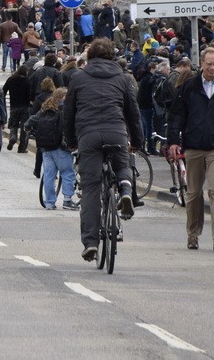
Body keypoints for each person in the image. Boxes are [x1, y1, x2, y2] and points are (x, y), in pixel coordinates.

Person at [63, 38, 143, 263]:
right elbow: (133, 113)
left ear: (89, 57)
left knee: (90, 188)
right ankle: (126, 191)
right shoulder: (123, 78)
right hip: (115, 131)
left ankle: (90, 243)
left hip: (88, 135)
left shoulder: (78, 78)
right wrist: (136, 140)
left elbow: (68, 113)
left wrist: (71, 141)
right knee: (123, 164)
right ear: (111, 56)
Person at [167, 47, 214, 253]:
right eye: (209, 63)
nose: (212, 67)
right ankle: (193, 234)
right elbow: (176, 115)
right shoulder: (189, 86)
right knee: (193, 193)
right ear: (202, 64)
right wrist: (173, 141)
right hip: (194, 146)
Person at [26, 87, 78, 210]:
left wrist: (29, 129)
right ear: (63, 97)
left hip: (45, 147)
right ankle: (67, 200)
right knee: (67, 173)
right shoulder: (65, 109)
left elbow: (29, 122)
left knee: (49, 175)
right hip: (62, 147)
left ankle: (49, 202)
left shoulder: (45, 108)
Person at [4, 64, 32, 152]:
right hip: (25, 106)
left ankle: (13, 137)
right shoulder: (27, 81)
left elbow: (4, 90)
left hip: (14, 106)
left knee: (13, 124)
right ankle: (22, 147)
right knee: (25, 127)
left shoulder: (11, 79)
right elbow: (30, 95)